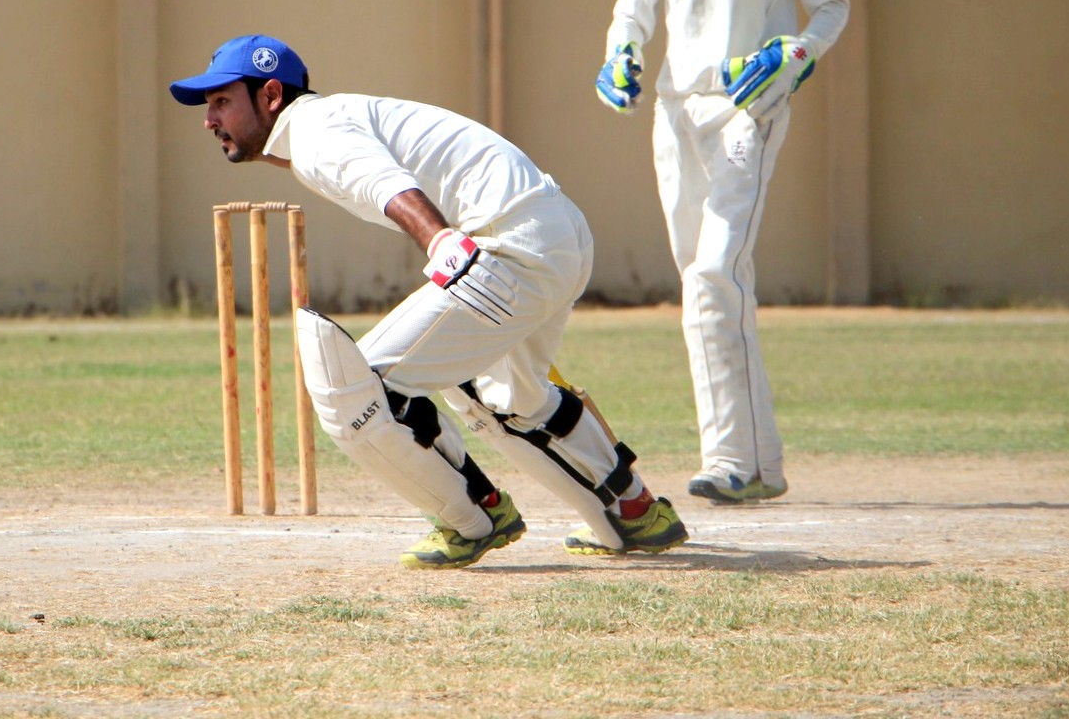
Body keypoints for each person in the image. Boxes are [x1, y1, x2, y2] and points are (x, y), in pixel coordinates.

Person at [170, 33, 688, 569]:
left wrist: (439, 240)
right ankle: (635, 510)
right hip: (556, 233)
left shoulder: (314, 129)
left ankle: (473, 518)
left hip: (510, 245)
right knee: (507, 395)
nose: (209, 120)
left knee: (357, 390)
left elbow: (385, 184)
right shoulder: (332, 121)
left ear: (271, 95)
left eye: (222, 101)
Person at [594, 0, 850, 504]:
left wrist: (795, 55)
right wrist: (619, 56)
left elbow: (831, 7)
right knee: (710, 286)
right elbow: (632, 10)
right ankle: (763, 463)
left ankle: (729, 460)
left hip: (750, 109)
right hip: (675, 111)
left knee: (715, 274)